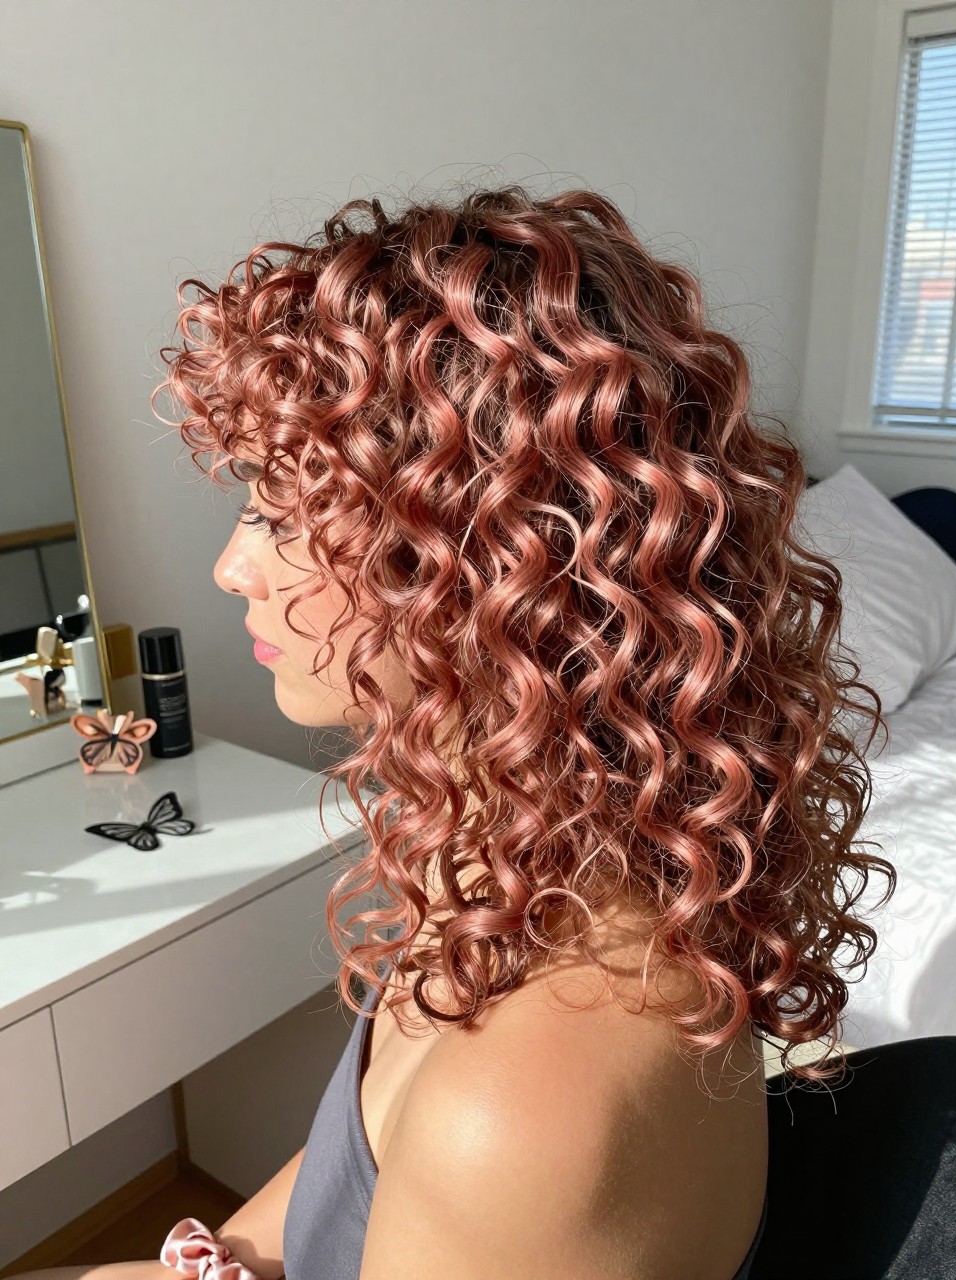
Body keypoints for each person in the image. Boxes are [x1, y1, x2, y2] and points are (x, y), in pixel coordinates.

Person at [16, 184, 895, 1280]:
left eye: (284, 515)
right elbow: (361, 1153)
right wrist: (197, 1259)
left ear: (491, 565)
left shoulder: (527, 1110)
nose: (231, 568)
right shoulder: (518, 856)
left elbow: (443, 1152)